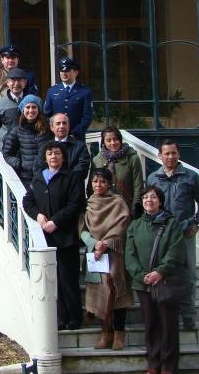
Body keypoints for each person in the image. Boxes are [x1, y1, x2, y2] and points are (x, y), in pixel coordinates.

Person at [146, 139, 199, 331]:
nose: (170, 157)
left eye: (173, 153)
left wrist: (198, 223)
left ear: (178, 154)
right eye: (166, 153)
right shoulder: (153, 178)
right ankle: (164, 315)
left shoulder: (190, 177)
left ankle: (189, 315)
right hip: (160, 233)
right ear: (159, 155)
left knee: (189, 275)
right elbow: (148, 204)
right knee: (162, 273)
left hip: (184, 232)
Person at [23, 140, 86, 330]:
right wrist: (39, 216)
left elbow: (76, 204)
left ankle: (75, 318)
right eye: (50, 153)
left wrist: (56, 221)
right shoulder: (38, 178)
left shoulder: (72, 177)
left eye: (57, 153)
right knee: (52, 281)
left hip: (66, 238)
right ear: (45, 157)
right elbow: (28, 201)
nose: (53, 157)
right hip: (46, 238)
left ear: (63, 156)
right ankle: (60, 317)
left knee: (68, 280)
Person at [125, 185, 186, 374]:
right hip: (143, 283)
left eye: (152, 197)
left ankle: (169, 365)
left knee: (168, 325)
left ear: (160, 201)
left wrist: (160, 272)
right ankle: (153, 363)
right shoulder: (135, 225)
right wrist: (141, 274)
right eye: (145, 198)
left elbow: (176, 251)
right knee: (150, 323)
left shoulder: (171, 224)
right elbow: (130, 254)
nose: (148, 201)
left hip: (165, 281)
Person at [80, 168, 134, 350]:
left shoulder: (118, 202)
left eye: (102, 181)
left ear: (109, 183)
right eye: (95, 181)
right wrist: (95, 244)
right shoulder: (88, 204)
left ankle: (119, 333)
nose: (98, 185)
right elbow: (82, 229)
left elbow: (122, 224)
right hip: (95, 256)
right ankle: (105, 333)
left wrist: (106, 243)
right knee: (101, 294)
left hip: (114, 253)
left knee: (118, 291)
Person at [88, 126, 144, 215]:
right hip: (103, 208)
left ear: (120, 140)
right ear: (103, 142)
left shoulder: (132, 158)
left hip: (125, 208)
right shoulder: (97, 160)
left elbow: (138, 185)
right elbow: (92, 186)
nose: (113, 143)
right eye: (108, 140)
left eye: (115, 139)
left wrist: (135, 207)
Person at [0, 94, 53, 187]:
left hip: (47, 175)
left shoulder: (48, 128)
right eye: (27, 107)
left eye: (34, 107)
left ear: (39, 109)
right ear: (23, 110)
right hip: (26, 178)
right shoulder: (16, 131)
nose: (31, 110)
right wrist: (18, 164)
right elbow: (7, 153)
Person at [44, 56, 93, 142]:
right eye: (62, 71)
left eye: (67, 71)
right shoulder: (52, 91)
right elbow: (47, 115)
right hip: (57, 138)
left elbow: (87, 117)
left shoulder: (85, 92)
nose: (64, 74)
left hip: (76, 138)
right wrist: (55, 131)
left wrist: (75, 133)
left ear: (75, 72)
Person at [39, 113, 90, 180]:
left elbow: (82, 168)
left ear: (68, 126)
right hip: (50, 186)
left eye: (64, 123)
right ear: (51, 127)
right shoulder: (44, 147)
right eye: (58, 123)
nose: (61, 126)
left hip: (73, 187)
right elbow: (39, 167)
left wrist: (63, 180)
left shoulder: (80, 146)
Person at [0, 67, 28, 146]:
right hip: (7, 146)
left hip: (27, 145)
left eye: (20, 80)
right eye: (13, 80)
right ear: (7, 82)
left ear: (25, 82)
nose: (16, 84)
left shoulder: (32, 102)